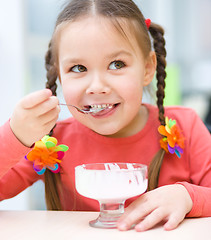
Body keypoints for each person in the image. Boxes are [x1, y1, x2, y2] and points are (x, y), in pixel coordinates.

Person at [0, 0, 211, 232]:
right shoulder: (50, 142)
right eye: (78, 68)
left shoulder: (186, 126)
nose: (97, 87)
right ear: (59, 76)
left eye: (116, 64)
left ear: (148, 68)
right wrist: (15, 136)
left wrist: (188, 196)